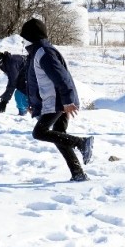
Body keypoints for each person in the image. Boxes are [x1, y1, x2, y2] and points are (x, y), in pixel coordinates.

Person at [21, 18, 94, 182]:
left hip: (56, 101)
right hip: (54, 100)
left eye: (24, 37)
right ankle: (78, 174)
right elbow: (35, 81)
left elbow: (61, 77)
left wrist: (68, 101)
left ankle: (82, 143)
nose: (22, 41)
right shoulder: (37, 52)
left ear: (31, 36)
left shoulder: (43, 52)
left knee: (39, 132)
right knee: (59, 136)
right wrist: (34, 104)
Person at [0, 47, 29, 116]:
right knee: (19, 95)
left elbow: (12, 82)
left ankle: (35, 112)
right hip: (23, 77)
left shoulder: (11, 64)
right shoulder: (4, 62)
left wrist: (5, 101)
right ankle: (22, 114)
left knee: (21, 95)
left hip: (33, 77)